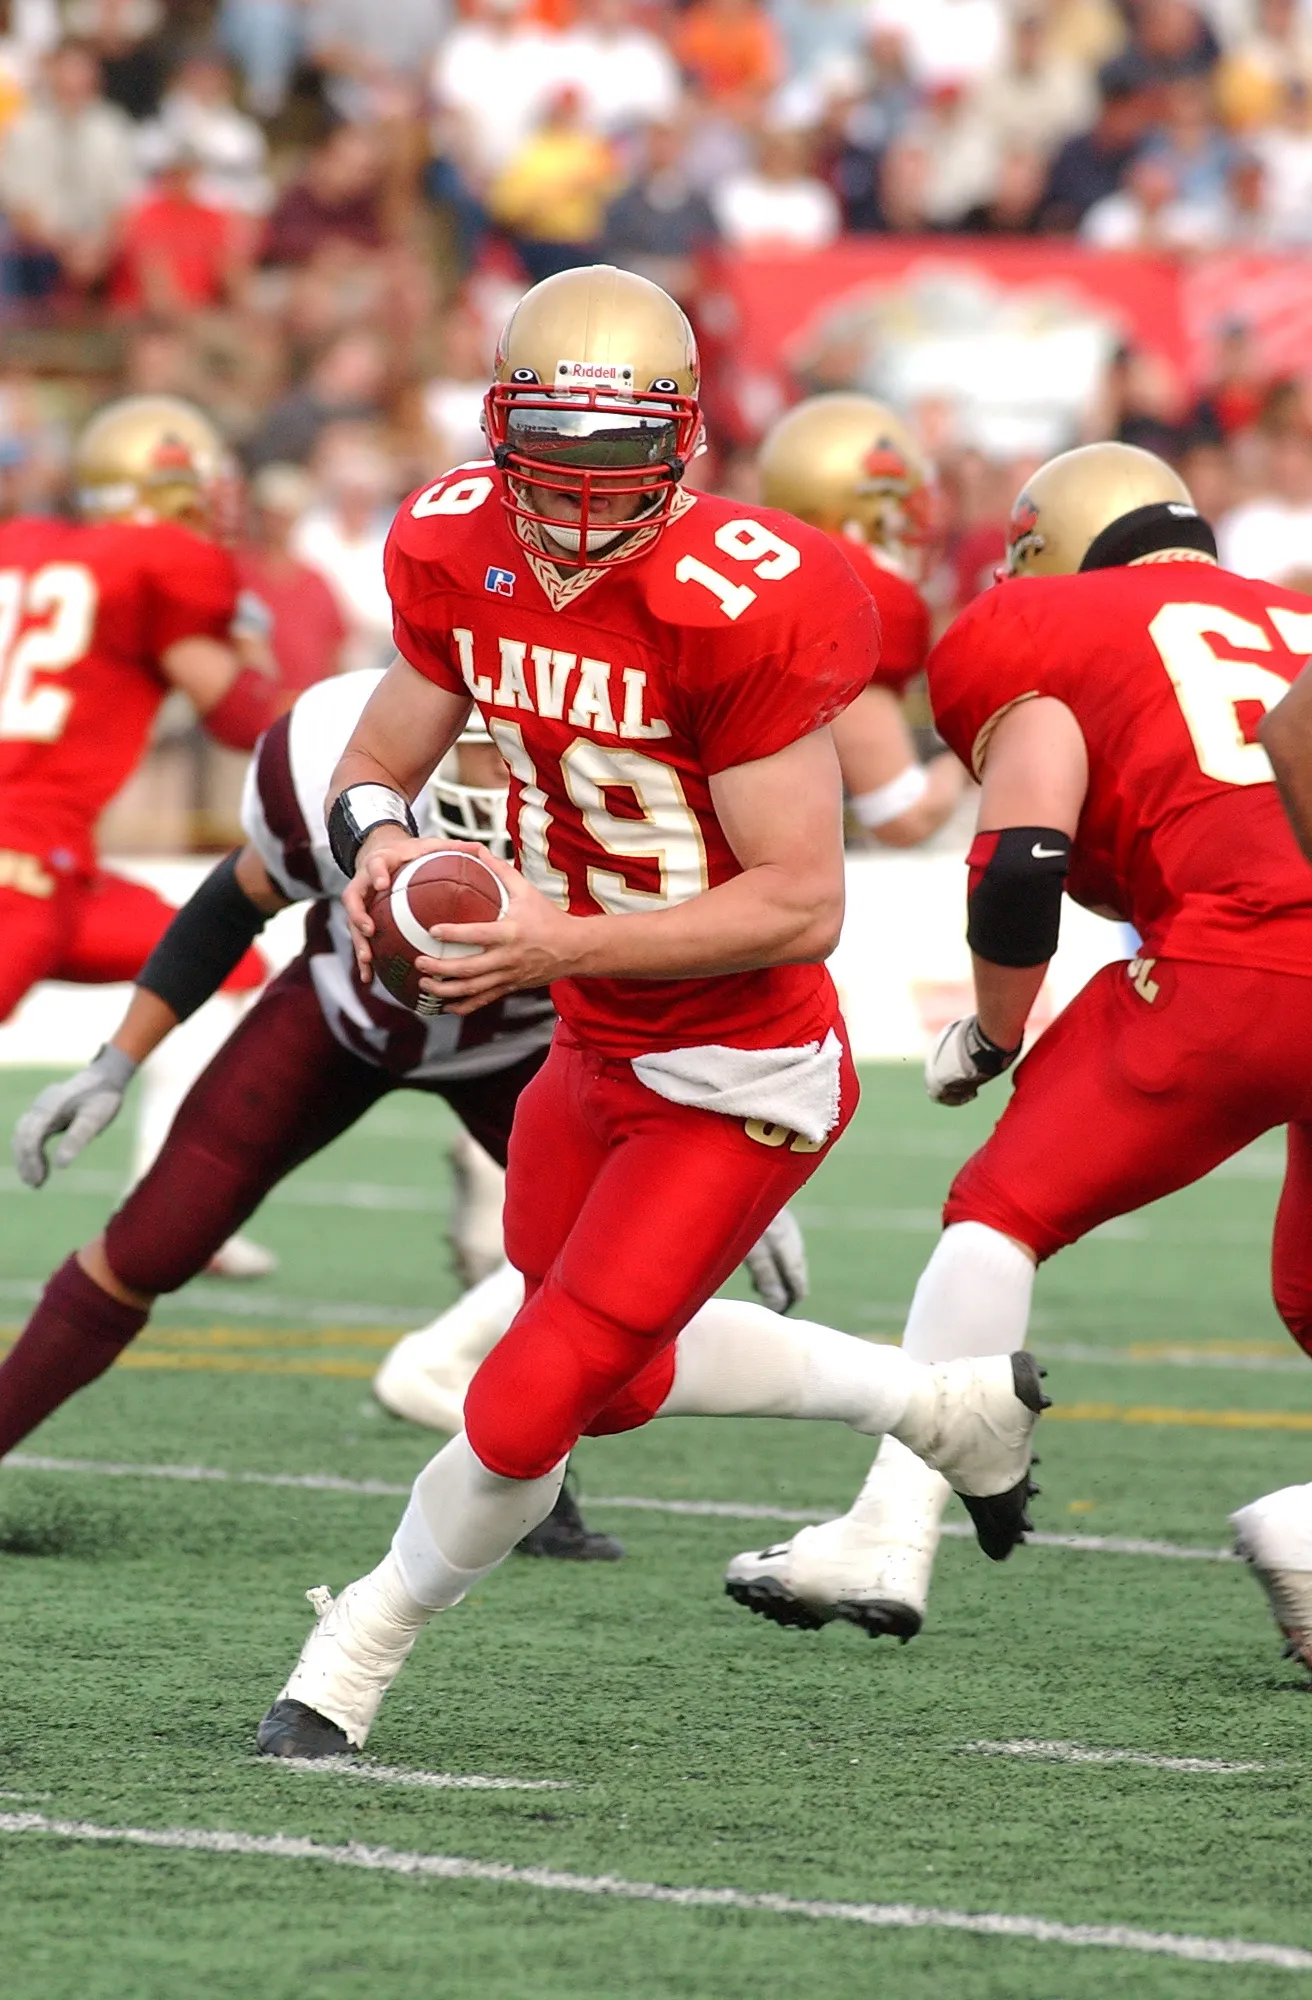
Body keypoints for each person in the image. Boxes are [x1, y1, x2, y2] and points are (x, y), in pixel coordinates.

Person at [252, 264, 1046, 1759]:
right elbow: (372, 765)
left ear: (682, 440)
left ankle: (349, 1654)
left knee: (526, 1400)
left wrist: (553, 939)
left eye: (615, 457)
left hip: (741, 1063)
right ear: (498, 428)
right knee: (614, 1387)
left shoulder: (742, 597)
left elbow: (801, 902)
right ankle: (941, 1409)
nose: (576, 497)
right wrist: (381, 851)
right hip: (592, 1042)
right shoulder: (453, 542)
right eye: (548, 454)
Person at [724, 440, 1312, 1643]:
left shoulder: (1040, 624)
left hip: (1238, 959)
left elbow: (1019, 861)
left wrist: (994, 1031)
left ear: (1047, 546)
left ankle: (888, 1527)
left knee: (1003, 1209)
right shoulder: (1293, 619)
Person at [758, 393, 962, 849]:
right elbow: (903, 815)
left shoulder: (757, 570)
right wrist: (967, 757)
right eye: (898, 509)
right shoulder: (846, 593)